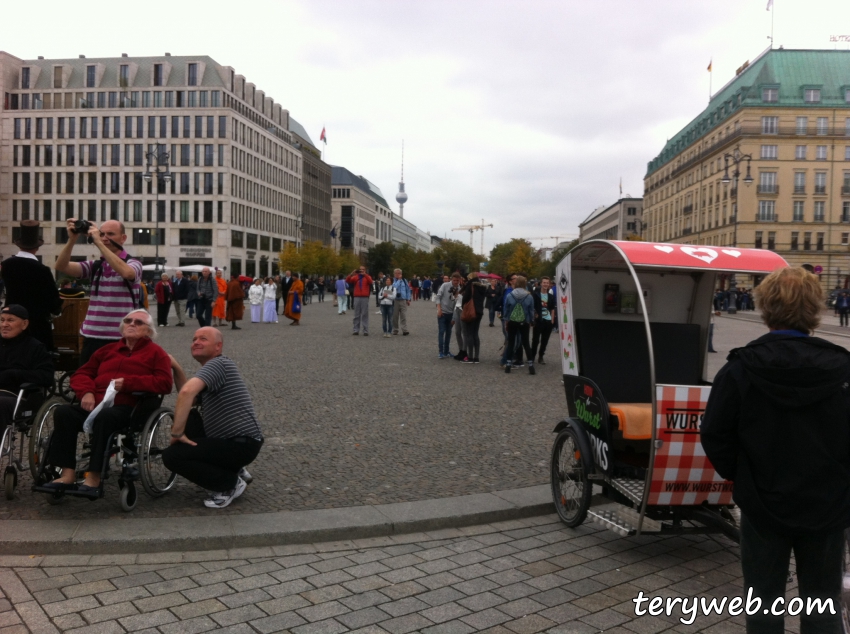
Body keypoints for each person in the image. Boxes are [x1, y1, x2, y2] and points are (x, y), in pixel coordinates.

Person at [701, 267, 847, 634]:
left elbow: (715, 433)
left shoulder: (739, 369)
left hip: (763, 499)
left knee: (763, 600)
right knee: (822, 601)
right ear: (816, 309)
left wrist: (742, 474)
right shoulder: (844, 369)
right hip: (828, 502)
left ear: (765, 307)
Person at [40, 309, 173, 494]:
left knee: (106, 417)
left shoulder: (156, 354)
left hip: (129, 407)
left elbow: (165, 383)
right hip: (95, 403)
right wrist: (87, 392)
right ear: (122, 327)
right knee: (64, 413)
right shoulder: (107, 350)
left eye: (138, 322)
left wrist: (129, 383)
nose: (132, 324)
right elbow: (82, 373)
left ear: (148, 331)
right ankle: (67, 474)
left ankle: (94, 476)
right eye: (128, 321)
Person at [164, 327, 263, 509]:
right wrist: (176, 367)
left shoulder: (219, 364)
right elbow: (191, 400)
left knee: (172, 456)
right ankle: (234, 469)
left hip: (240, 445)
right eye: (194, 339)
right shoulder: (215, 368)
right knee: (192, 416)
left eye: (203, 339)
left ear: (218, 347)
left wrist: (177, 433)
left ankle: (229, 483)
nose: (196, 342)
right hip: (237, 441)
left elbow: (186, 392)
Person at [54, 219, 143, 366]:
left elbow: (127, 273)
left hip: (121, 336)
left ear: (123, 238)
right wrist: (72, 240)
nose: (105, 237)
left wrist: (99, 242)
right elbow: (61, 266)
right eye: (102, 234)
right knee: (88, 380)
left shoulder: (134, 263)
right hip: (92, 335)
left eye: (111, 234)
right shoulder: (95, 266)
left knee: (116, 383)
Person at [1, 220, 63, 350]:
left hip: (13, 318)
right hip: (37, 324)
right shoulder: (42, 270)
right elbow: (53, 300)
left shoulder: (6, 265)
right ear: (37, 247)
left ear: (19, 245)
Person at [0, 305, 54, 426]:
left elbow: (46, 376)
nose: (4, 324)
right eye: (2, 320)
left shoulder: (35, 347)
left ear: (24, 324)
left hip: (19, 397)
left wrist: (15, 374)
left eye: (10, 320)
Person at [502, 275, 535, 375]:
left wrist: (506, 319)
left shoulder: (510, 295)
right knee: (526, 343)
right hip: (524, 322)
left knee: (511, 343)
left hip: (512, 321)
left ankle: (508, 364)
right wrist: (531, 321)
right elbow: (531, 310)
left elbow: (506, 309)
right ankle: (531, 366)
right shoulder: (529, 296)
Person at [460, 272, 486, 364]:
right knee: (476, 333)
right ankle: (476, 357)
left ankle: (470, 357)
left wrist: (464, 307)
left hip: (471, 311)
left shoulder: (470, 286)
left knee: (469, 333)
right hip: (479, 311)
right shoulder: (482, 287)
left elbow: (465, 298)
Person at [436, 272, 462, 359]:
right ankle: (441, 351)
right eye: (454, 280)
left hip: (451, 313)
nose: (455, 282)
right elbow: (438, 297)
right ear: (451, 279)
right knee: (441, 331)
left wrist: (455, 317)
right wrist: (439, 309)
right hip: (443, 312)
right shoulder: (445, 285)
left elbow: (457, 303)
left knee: (449, 333)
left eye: (457, 281)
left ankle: (447, 351)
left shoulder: (459, 288)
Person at [531, 276, 556, 365]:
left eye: (547, 283)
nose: (545, 284)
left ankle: (541, 356)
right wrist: (534, 315)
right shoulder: (536, 295)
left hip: (548, 320)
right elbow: (532, 306)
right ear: (541, 283)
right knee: (535, 340)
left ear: (549, 284)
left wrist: (552, 319)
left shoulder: (551, 296)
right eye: (544, 282)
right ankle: (532, 356)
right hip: (539, 320)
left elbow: (552, 308)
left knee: (545, 340)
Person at [346, 266, 373, 335]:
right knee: (356, 314)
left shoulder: (367, 277)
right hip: (357, 296)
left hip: (364, 297)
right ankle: (356, 330)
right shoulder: (356, 277)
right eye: (360, 270)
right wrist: (351, 274)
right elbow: (348, 280)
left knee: (364, 314)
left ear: (365, 270)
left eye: (363, 270)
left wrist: (365, 275)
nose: (361, 271)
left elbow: (370, 282)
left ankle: (365, 330)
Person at [392, 268, 412, 336]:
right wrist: (399, 280)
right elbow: (394, 287)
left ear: (401, 274)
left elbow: (408, 290)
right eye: (396, 273)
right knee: (395, 316)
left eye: (399, 273)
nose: (397, 275)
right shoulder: (393, 281)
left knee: (403, 315)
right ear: (394, 274)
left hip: (403, 300)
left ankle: (404, 330)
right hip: (395, 300)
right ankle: (395, 329)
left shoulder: (404, 280)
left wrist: (408, 299)